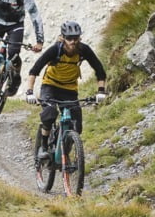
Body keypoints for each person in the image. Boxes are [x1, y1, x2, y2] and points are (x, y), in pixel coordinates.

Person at [27, 20, 107, 156]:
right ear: (63, 38)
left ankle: (65, 152)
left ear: (79, 38)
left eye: (76, 38)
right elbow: (34, 70)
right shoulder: (55, 50)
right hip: (50, 86)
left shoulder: (84, 50)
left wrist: (101, 92)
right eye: (69, 38)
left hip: (69, 89)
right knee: (50, 113)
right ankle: (44, 147)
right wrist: (29, 92)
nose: (72, 41)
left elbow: (100, 71)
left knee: (77, 126)